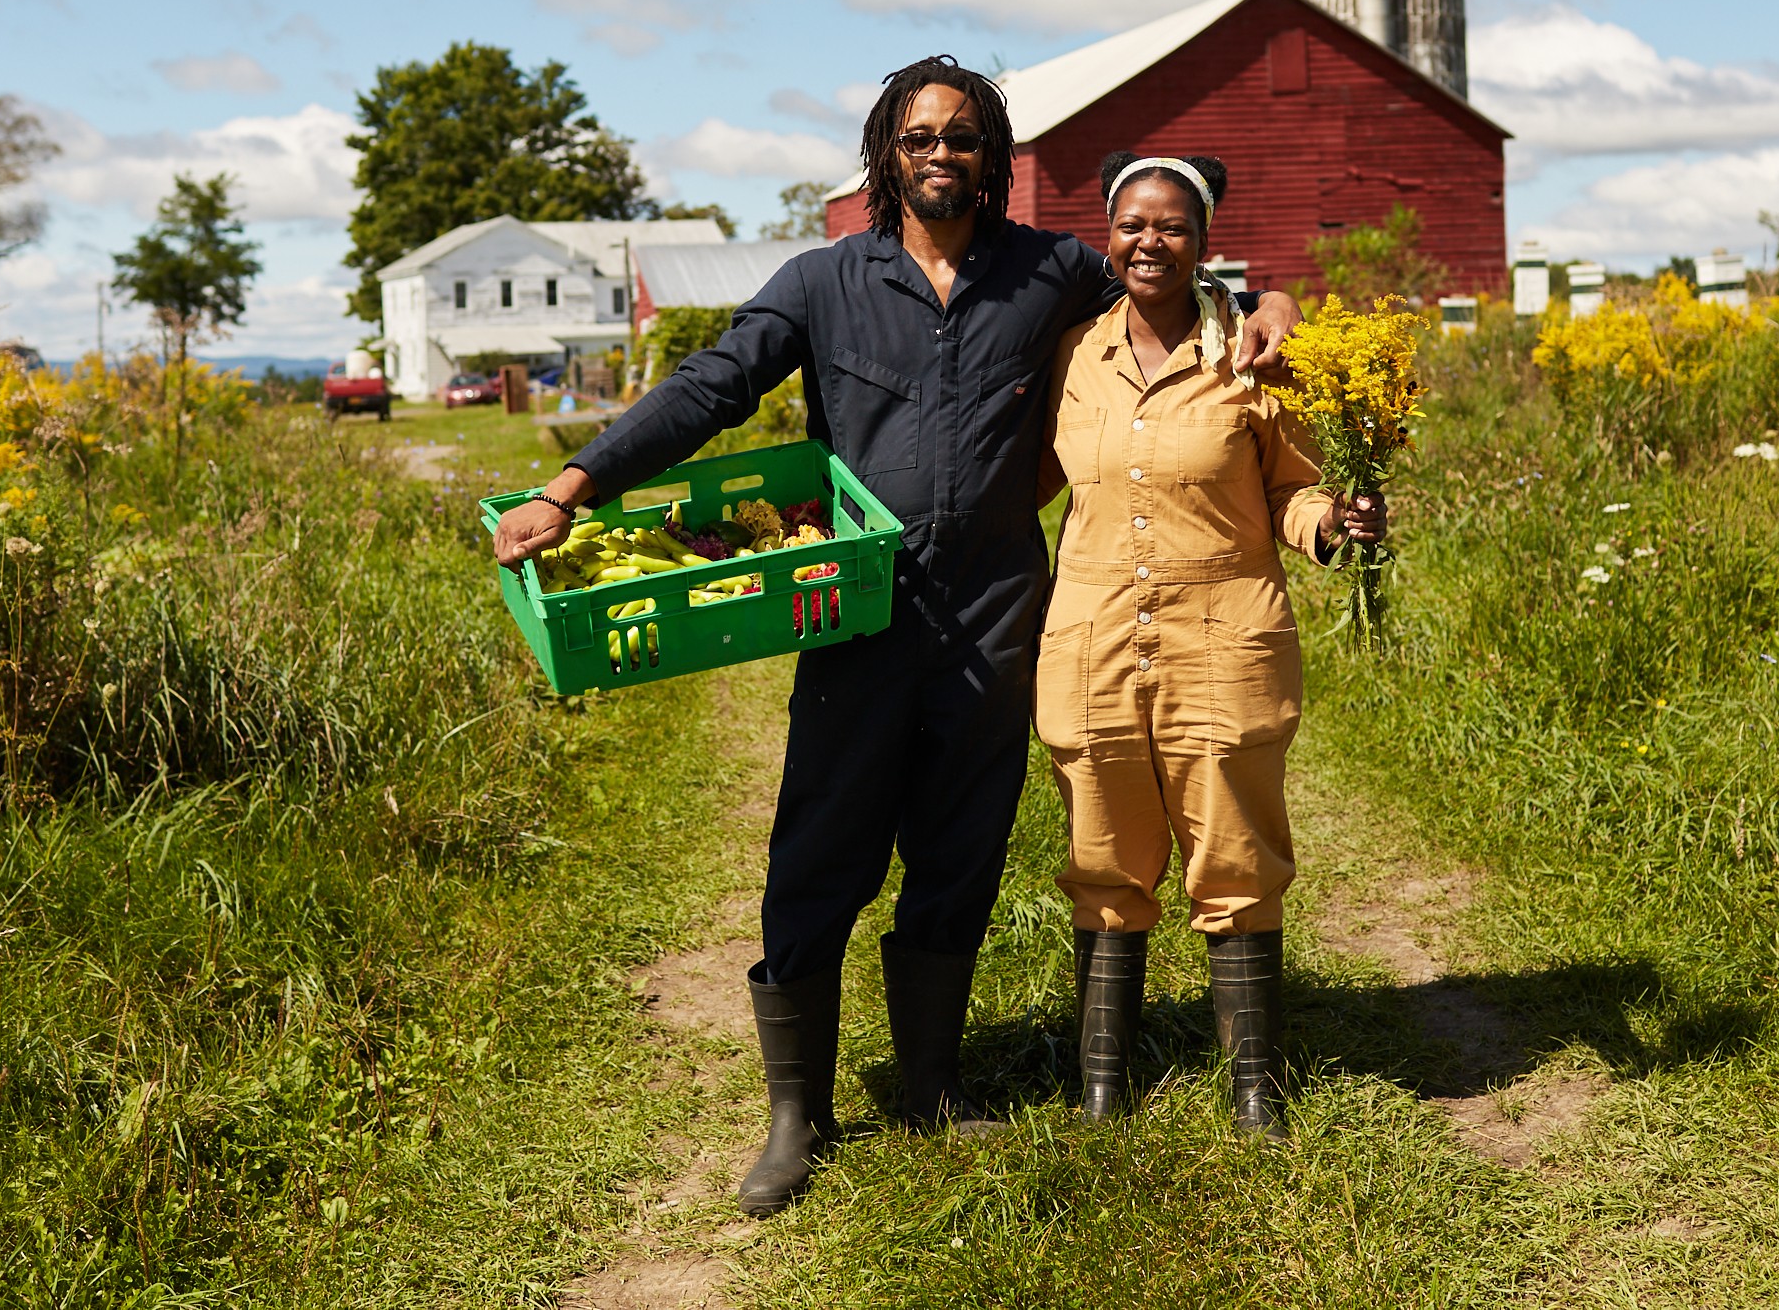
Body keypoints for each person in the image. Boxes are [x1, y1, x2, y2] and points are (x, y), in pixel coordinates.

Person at [491, 59, 1302, 1216]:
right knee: (820, 852)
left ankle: (929, 1083)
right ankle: (795, 1114)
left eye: (963, 137)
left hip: (993, 612)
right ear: (886, 152)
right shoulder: (822, 282)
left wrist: (1272, 304)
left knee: (961, 851)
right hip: (857, 609)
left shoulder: (1048, 270)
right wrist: (572, 483)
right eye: (918, 135)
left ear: (992, 155)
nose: (940, 153)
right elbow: (711, 386)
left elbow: (1177, 280)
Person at [1040, 152, 1384, 1132]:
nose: (1150, 241)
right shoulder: (1068, 354)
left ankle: (1252, 1088)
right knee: (1103, 858)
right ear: (1108, 235)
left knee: (1233, 858)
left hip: (1223, 644)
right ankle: (1103, 1087)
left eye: (1173, 226)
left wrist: (1331, 521)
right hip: (1092, 644)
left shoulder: (1252, 358)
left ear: (1203, 242)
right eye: (1132, 224)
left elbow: (1293, 488)